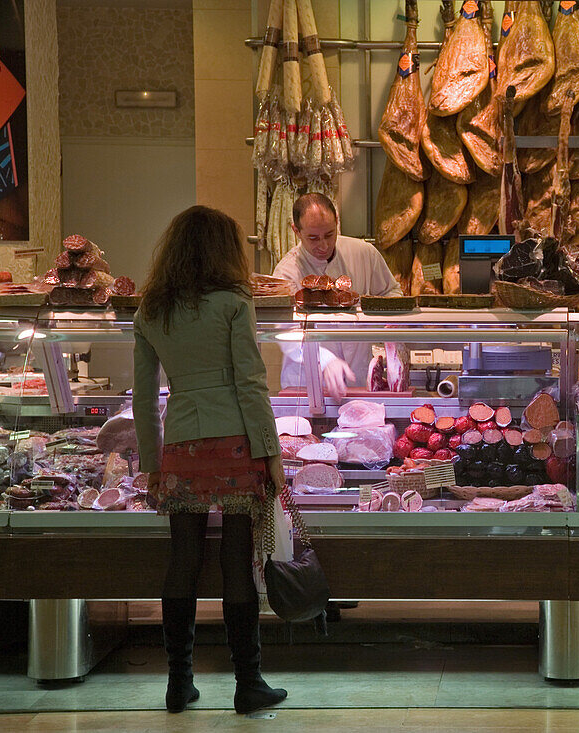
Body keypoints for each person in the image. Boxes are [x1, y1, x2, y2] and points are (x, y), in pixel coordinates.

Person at [133, 206, 287, 715]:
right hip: (235, 444)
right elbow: (250, 382)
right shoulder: (234, 303)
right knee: (236, 562)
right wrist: (271, 453)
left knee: (183, 561)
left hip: (181, 445)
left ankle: (179, 683)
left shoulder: (151, 311)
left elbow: (142, 397)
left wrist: (152, 463)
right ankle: (248, 683)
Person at [273, 192, 402, 397]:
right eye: (313, 238)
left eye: (329, 234)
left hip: (358, 379)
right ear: (296, 231)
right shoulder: (286, 272)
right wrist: (325, 360)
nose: (323, 245)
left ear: (337, 222)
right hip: (308, 385)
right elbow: (286, 334)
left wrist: (380, 328)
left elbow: (392, 292)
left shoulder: (363, 253)